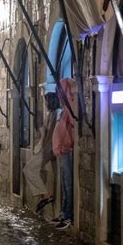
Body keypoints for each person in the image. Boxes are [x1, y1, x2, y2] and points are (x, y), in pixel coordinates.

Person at [22, 92, 60, 213]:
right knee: (29, 169)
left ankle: (45, 195)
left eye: (46, 101)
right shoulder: (50, 114)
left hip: (48, 149)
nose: (45, 103)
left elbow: (53, 134)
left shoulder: (57, 113)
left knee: (28, 169)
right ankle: (44, 195)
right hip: (45, 148)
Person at [52, 79, 75, 230]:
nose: (58, 96)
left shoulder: (70, 109)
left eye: (60, 92)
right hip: (62, 152)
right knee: (64, 184)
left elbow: (73, 125)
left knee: (68, 184)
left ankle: (68, 215)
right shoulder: (64, 109)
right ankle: (63, 213)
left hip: (67, 152)